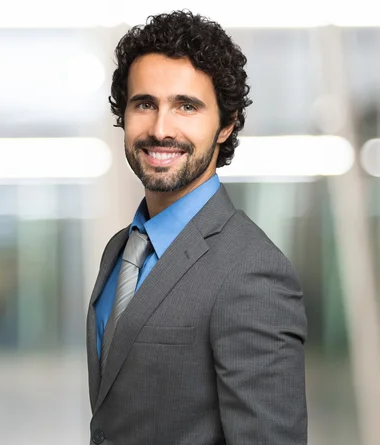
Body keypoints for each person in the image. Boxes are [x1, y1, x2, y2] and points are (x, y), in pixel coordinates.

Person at [85, 10, 307, 445]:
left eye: (186, 106)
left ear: (226, 124)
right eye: (144, 104)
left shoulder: (253, 274)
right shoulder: (122, 249)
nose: (160, 128)